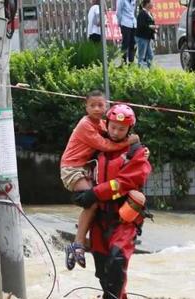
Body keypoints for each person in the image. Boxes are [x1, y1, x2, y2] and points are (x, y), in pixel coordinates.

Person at [71, 104, 152, 299]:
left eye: (121, 129)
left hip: (124, 218)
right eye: (113, 127)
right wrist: (79, 188)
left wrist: (95, 193)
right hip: (99, 218)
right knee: (102, 270)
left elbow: (127, 181)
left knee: (116, 262)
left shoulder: (136, 152)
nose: (116, 132)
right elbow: (76, 162)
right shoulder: (95, 147)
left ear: (129, 130)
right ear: (107, 124)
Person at [60, 90, 140, 270]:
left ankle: (79, 243)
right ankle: (78, 244)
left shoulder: (103, 125)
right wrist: (129, 142)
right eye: (92, 105)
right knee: (92, 201)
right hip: (73, 168)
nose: (96, 109)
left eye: (101, 105)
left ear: (107, 106)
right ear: (85, 106)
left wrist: (135, 147)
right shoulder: (86, 125)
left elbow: (111, 138)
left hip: (87, 169)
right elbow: (105, 145)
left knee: (95, 204)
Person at [135, 0, 157, 68]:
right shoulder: (142, 13)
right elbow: (141, 25)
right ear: (147, 4)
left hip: (148, 37)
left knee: (150, 55)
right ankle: (140, 71)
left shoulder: (149, 13)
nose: (152, 4)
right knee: (141, 56)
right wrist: (151, 27)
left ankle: (151, 71)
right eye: (151, 3)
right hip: (142, 37)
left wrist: (153, 29)